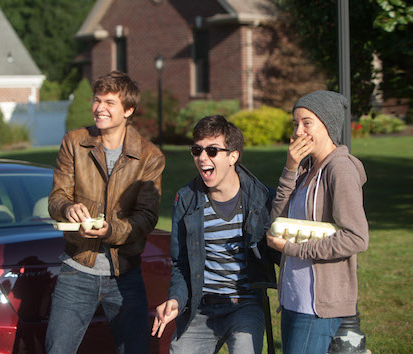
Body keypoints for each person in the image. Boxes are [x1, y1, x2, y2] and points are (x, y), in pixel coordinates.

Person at [46, 70, 165, 354]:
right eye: (97, 100)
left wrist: (110, 230)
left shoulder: (150, 156)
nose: (99, 108)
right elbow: (56, 197)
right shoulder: (74, 142)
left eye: (109, 102)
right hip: (76, 268)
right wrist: (67, 207)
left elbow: (146, 217)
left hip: (125, 273)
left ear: (129, 109)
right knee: (57, 350)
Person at [151, 115, 279, 354]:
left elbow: (281, 254)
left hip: (245, 304)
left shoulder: (262, 198)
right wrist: (176, 299)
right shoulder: (186, 199)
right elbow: (181, 263)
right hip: (201, 305)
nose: (202, 157)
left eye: (212, 150)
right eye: (197, 150)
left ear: (233, 156)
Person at [267, 90, 369, 354]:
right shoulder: (303, 169)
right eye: (295, 123)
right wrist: (290, 168)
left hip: (319, 306)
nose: (299, 131)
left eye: (307, 123)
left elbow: (356, 237)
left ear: (328, 124)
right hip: (293, 298)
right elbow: (275, 220)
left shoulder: (340, 169)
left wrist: (292, 249)